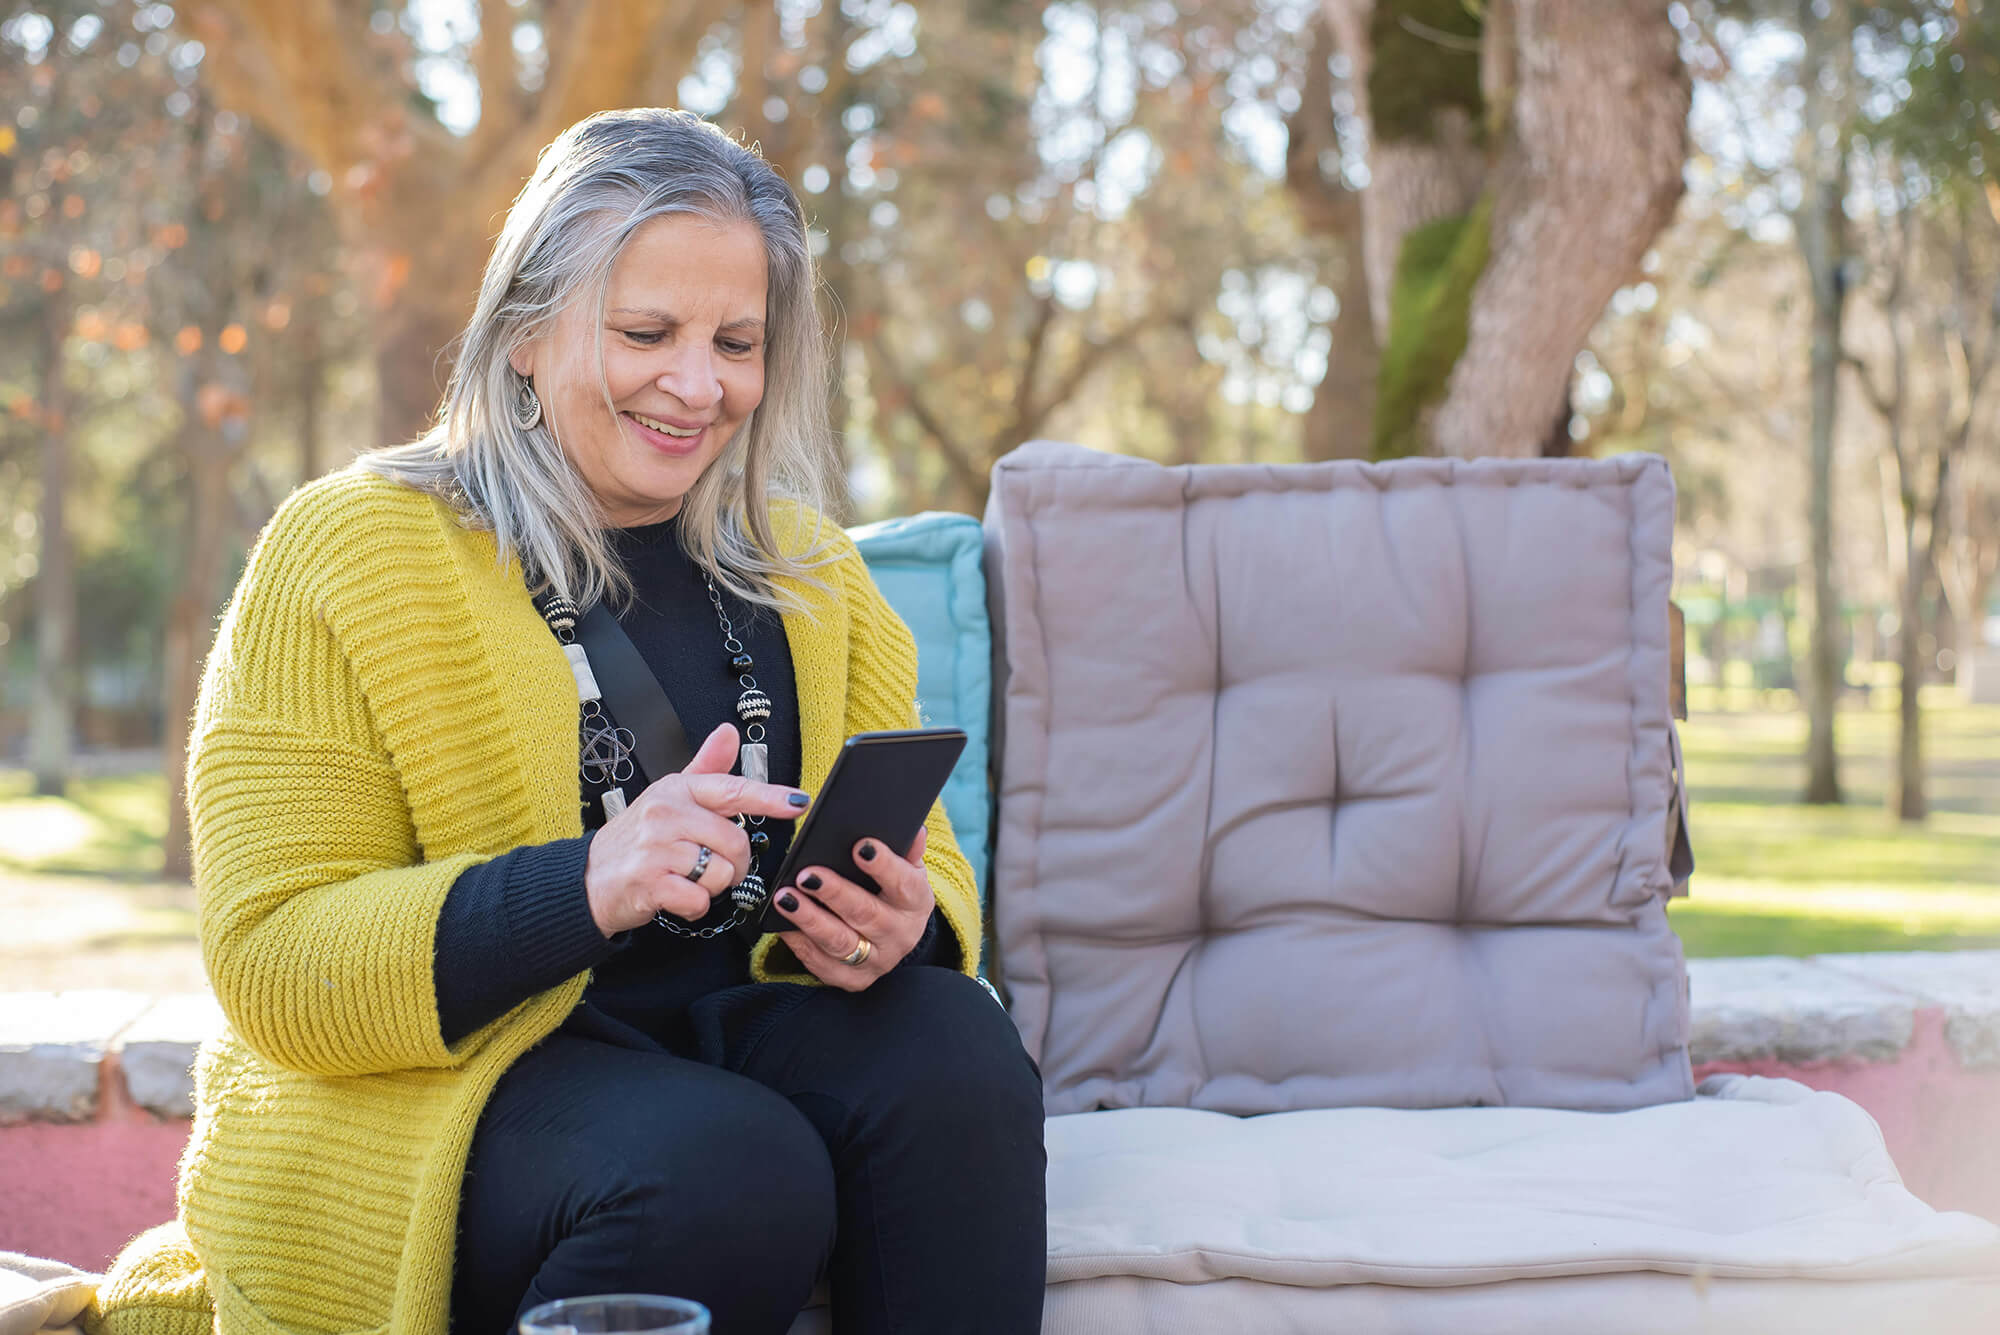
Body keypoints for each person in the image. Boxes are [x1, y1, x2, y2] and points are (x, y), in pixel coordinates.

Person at [96, 108, 1046, 1335]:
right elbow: (276, 958)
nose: (698, 386)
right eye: (646, 331)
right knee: (723, 1163)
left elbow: (932, 871)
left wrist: (902, 929)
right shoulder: (348, 552)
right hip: (452, 1083)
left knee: (956, 1049)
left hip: (732, 1035)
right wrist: (589, 882)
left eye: (737, 342)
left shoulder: (809, 570)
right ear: (526, 332)